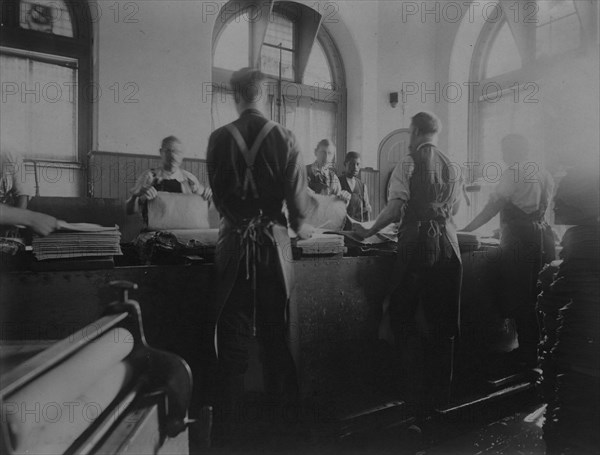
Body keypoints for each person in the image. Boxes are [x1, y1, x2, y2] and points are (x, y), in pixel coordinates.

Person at [206, 67, 313, 445]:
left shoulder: (218, 139)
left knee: (231, 340)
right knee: (276, 337)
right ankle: (283, 435)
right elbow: (298, 210)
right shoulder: (285, 137)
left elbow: (218, 199)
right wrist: (302, 224)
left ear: (234, 96)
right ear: (263, 94)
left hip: (233, 244)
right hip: (274, 246)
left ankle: (229, 437)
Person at [353, 112, 462, 413]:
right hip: (448, 246)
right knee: (442, 323)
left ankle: (411, 395)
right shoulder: (452, 165)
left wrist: (368, 230)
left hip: (417, 248)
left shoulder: (408, 162)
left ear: (414, 132)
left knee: (401, 315)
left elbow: (395, 207)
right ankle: (441, 398)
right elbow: (455, 209)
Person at [462, 133, 555, 367]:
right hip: (542, 236)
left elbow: (493, 206)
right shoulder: (543, 172)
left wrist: (465, 229)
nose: (503, 156)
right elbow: (533, 209)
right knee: (538, 293)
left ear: (516, 150)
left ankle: (526, 354)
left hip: (520, 240)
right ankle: (538, 351)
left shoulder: (513, 172)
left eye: (505, 150)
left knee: (520, 295)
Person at [126, 136, 212, 224]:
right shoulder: (149, 176)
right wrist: (135, 196)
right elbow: (128, 210)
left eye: (177, 152)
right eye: (168, 151)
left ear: (182, 155)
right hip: (154, 232)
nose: (173, 156)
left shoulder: (189, 179)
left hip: (183, 231)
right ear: (161, 152)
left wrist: (207, 197)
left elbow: (201, 206)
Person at [339, 151, 371, 227]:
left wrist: (367, 227)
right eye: (352, 164)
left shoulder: (362, 186)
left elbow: (366, 210)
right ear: (345, 164)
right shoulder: (338, 182)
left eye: (357, 164)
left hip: (358, 227)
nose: (355, 167)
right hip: (342, 227)